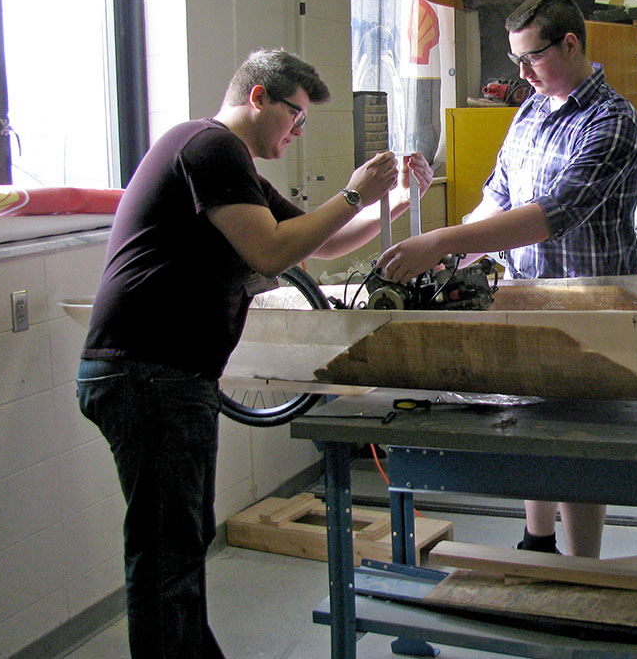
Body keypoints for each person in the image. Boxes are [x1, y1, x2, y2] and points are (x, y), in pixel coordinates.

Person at [76, 48, 432, 658]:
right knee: (167, 557)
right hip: (146, 373)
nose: (299, 130)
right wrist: (351, 192)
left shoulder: (233, 165)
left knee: (178, 549)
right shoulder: (208, 148)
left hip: (166, 376)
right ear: (259, 97)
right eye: (295, 115)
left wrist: (394, 199)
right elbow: (269, 253)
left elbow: (318, 244)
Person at [376, 0, 637, 558]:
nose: (521, 74)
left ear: (571, 44)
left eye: (532, 58)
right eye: (515, 62)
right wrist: (451, 258)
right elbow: (497, 198)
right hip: (529, 295)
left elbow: (555, 214)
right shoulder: (528, 111)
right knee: (532, 421)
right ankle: (537, 541)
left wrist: (442, 242)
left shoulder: (613, 122)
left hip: (592, 304)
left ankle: (581, 570)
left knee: (579, 440)